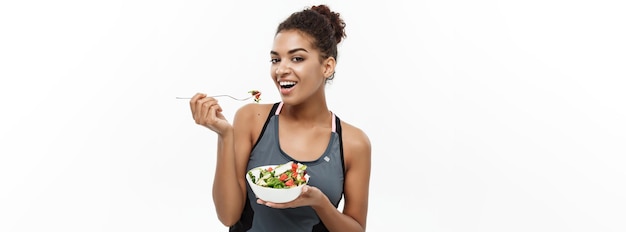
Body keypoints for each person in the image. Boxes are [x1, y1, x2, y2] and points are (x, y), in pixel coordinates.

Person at [187, 4, 371, 231]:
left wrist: (320, 203)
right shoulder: (251, 119)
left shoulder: (353, 143)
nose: (281, 70)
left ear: (327, 66)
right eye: (276, 60)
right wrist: (225, 135)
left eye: (297, 59)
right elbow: (228, 216)